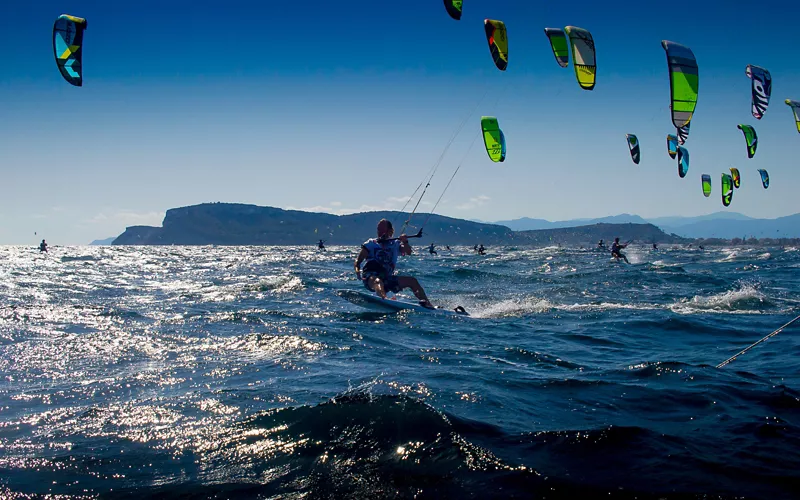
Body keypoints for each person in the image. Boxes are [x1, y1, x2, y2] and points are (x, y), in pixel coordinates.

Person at [354, 219, 433, 308]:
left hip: (387, 278)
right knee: (378, 281)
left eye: (383, 231)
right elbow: (358, 260)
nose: (380, 233)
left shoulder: (395, 244)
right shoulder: (371, 243)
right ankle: (383, 299)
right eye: (378, 230)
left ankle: (428, 304)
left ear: (390, 231)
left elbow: (408, 251)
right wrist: (357, 270)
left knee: (412, 281)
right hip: (370, 277)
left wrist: (405, 241)